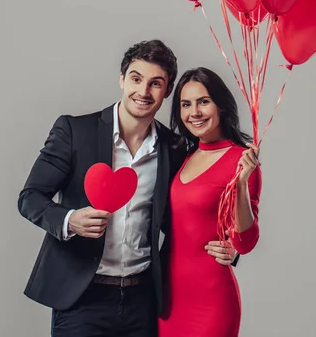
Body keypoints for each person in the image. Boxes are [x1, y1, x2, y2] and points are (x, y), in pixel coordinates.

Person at [18, 40, 236, 337]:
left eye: (155, 84)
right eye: (136, 79)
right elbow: (30, 197)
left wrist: (231, 246)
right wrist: (70, 220)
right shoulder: (75, 131)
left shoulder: (174, 149)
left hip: (143, 301)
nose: (143, 92)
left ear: (167, 91)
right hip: (82, 299)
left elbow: (189, 217)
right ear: (122, 79)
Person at [158, 67, 261, 337]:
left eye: (204, 102)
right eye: (186, 104)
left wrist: (240, 183)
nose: (195, 112)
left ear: (221, 105)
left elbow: (245, 242)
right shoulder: (182, 156)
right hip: (167, 300)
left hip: (211, 300)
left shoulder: (241, 161)